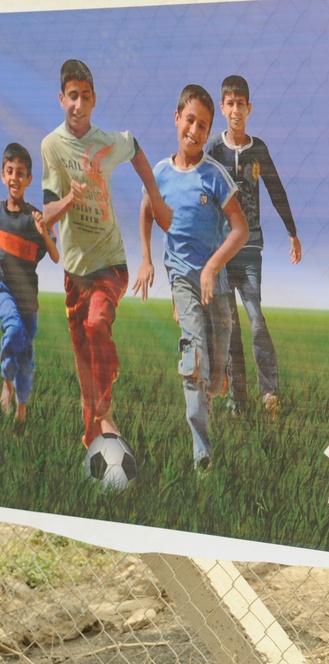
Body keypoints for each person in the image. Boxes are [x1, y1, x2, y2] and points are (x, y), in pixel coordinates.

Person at [40, 59, 172, 448]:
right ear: (61, 99)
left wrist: (158, 201)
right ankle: (93, 439)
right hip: (74, 272)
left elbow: (135, 147)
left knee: (98, 325)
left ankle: (105, 412)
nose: (78, 104)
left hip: (110, 263)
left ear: (94, 100)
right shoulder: (51, 146)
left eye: (85, 96)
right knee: (84, 364)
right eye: (71, 97)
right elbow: (46, 214)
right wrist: (69, 198)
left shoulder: (107, 141)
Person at [132, 84, 248, 470]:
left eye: (203, 125)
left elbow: (240, 230)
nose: (195, 131)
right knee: (193, 362)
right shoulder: (161, 174)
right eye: (190, 120)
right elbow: (148, 210)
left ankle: (220, 377)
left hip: (214, 283)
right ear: (176, 118)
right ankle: (203, 452)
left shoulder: (214, 177)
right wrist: (147, 258)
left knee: (213, 377)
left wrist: (214, 266)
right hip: (182, 278)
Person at [205, 75, 300, 418]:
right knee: (228, 325)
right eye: (229, 103)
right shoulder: (213, 149)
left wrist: (292, 231)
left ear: (249, 108)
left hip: (249, 251)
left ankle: (270, 393)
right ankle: (237, 399)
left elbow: (275, 189)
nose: (235, 109)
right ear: (222, 108)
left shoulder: (258, 149)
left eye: (240, 104)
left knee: (256, 319)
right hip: (221, 250)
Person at [0, 143, 60, 423]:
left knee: (26, 356)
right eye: (9, 171)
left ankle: (22, 407)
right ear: (3, 175)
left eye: (20, 173)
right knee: (12, 330)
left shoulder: (34, 217)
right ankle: (6, 381)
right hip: (4, 291)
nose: (14, 178)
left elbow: (56, 256)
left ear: (28, 180)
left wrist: (43, 232)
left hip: (29, 301)